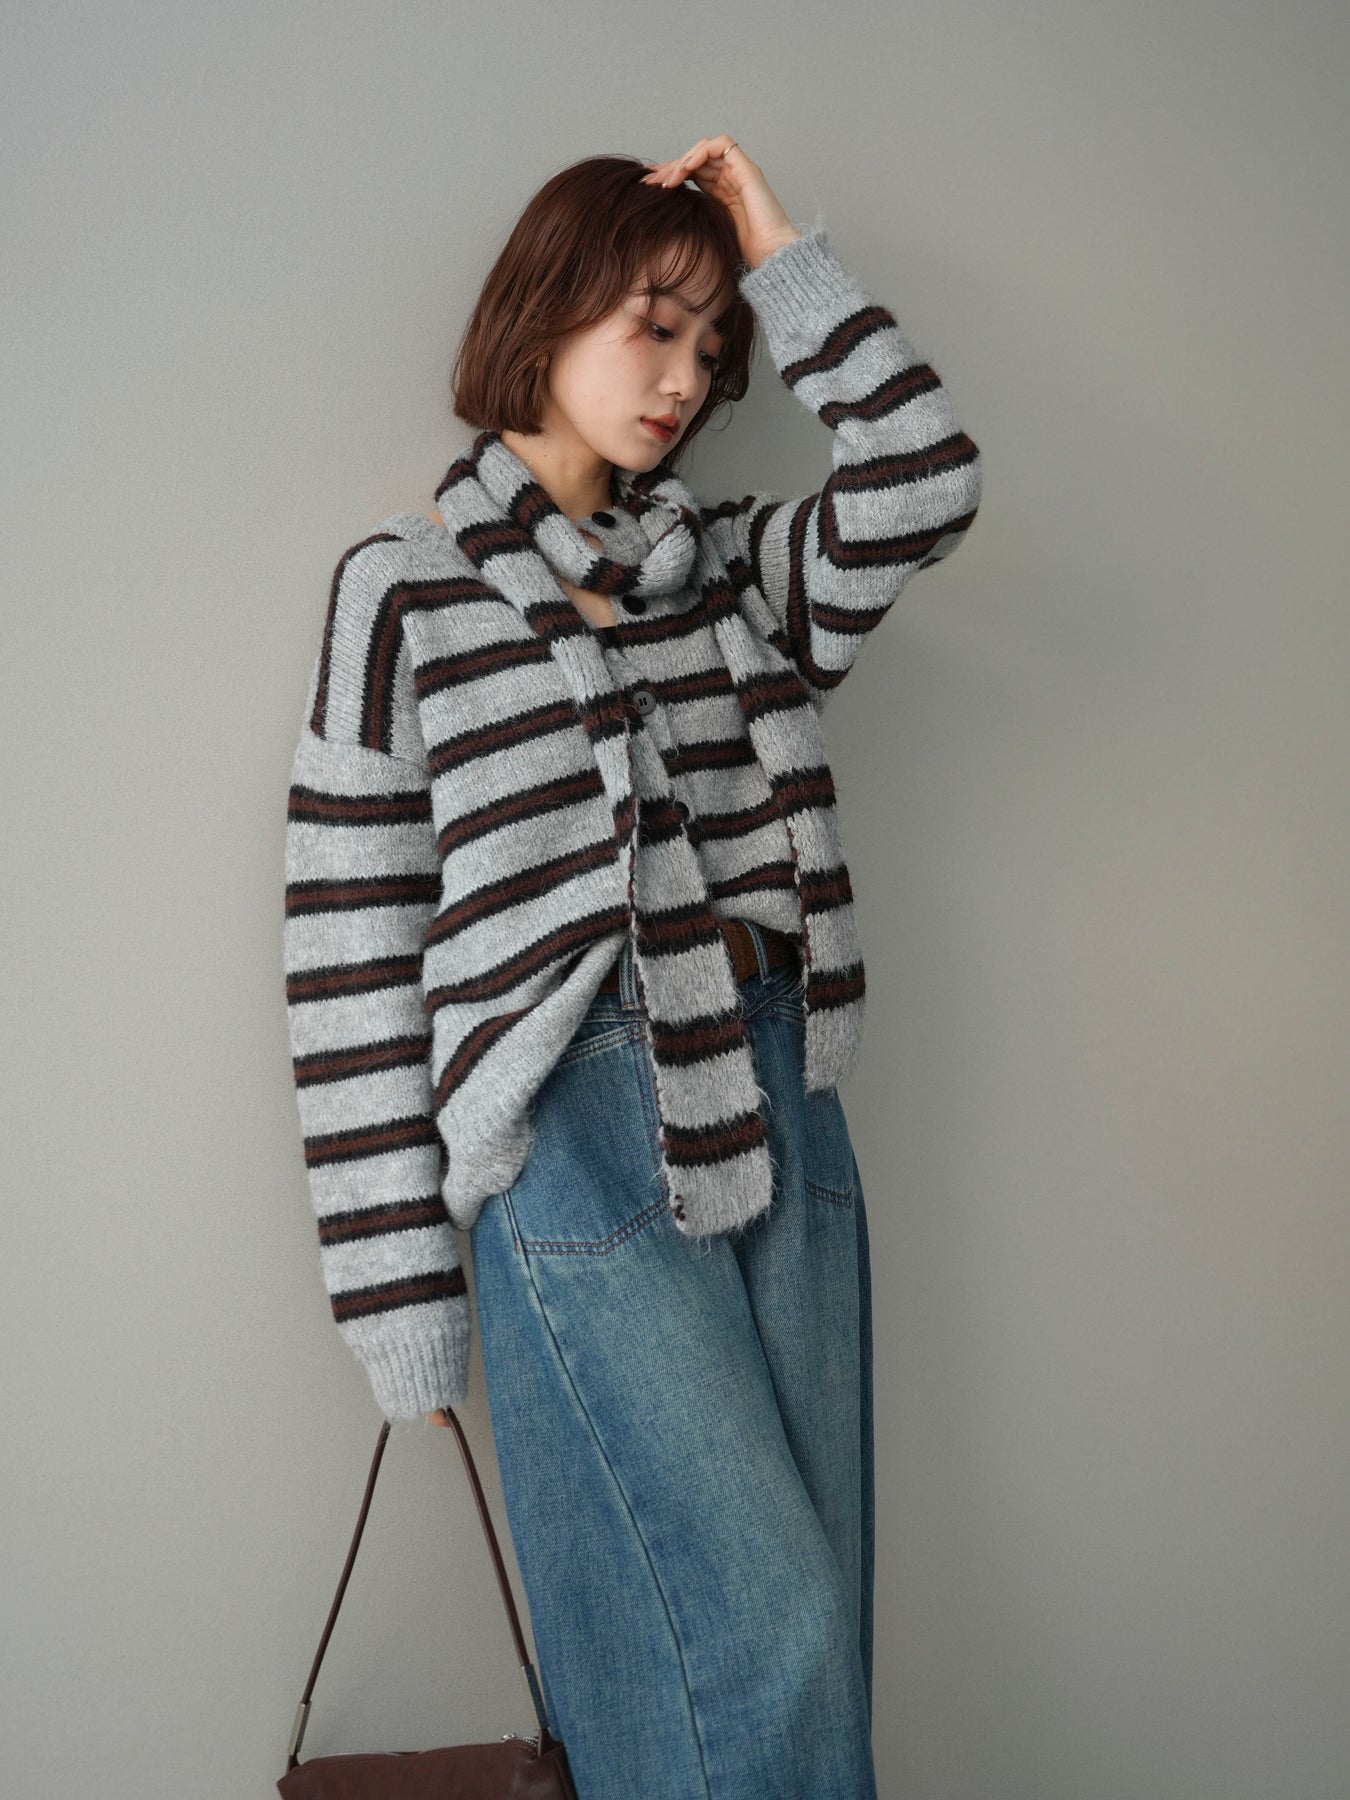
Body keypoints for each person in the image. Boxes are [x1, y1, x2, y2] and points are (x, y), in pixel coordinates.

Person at [283, 135, 981, 1799]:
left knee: (808, 1641)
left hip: (779, 1084)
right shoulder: (404, 593)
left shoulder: (730, 574)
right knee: (761, 1637)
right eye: (650, 327)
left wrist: (774, 250)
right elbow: (345, 945)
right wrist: (397, 1304)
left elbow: (922, 477)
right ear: (544, 311)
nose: (682, 379)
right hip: (578, 1128)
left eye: (709, 345)